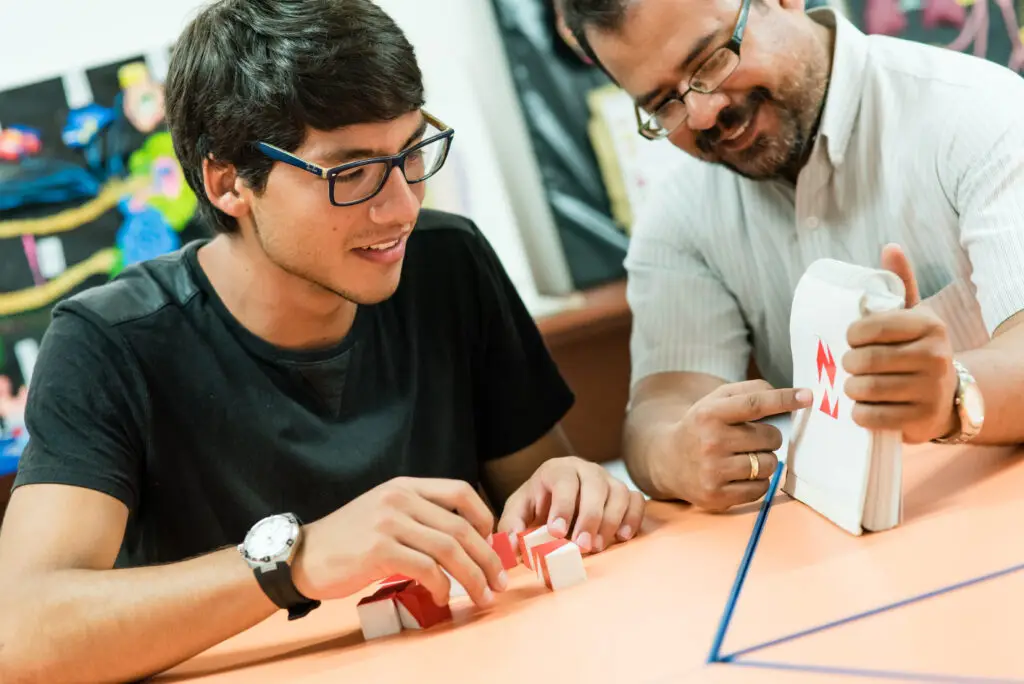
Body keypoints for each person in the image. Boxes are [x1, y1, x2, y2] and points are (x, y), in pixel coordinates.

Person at [0, 1, 647, 681]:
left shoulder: (448, 262)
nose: (401, 206)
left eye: (410, 153)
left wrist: (568, 492)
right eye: (351, 172)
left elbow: (536, 492)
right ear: (229, 184)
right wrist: (297, 562)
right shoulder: (110, 342)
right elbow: (19, 632)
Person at [561, 0, 1024, 511]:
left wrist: (952, 396)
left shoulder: (978, 111)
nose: (703, 112)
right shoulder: (679, 216)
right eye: (663, 104)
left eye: (710, 61)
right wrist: (678, 454)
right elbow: (661, 407)